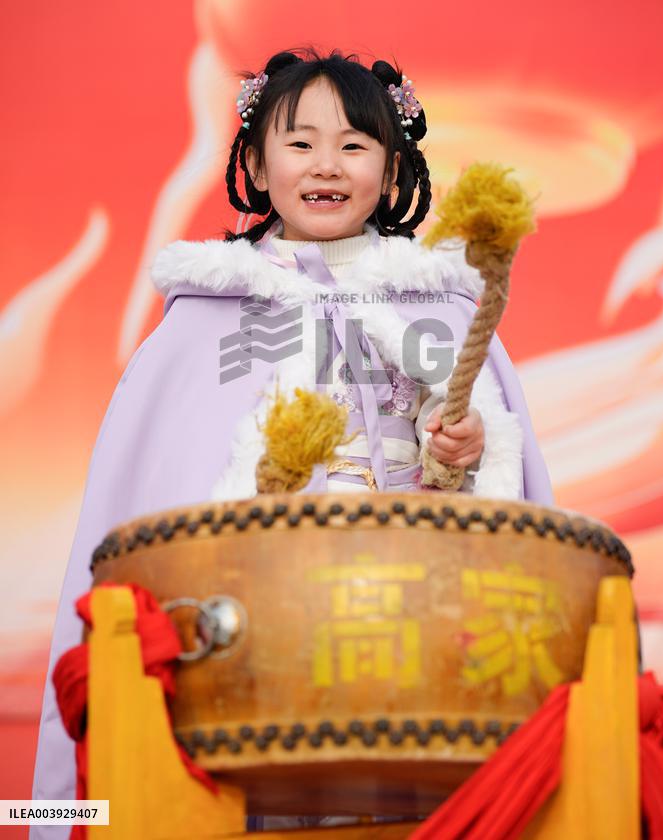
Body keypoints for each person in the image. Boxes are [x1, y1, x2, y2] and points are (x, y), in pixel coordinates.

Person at [31, 48, 553, 837]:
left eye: (353, 144)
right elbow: (154, 504)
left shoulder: (441, 304)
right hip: (253, 662)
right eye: (300, 141)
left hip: (419, 648)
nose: (326, 165)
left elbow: (500, 499)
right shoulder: (204, 316)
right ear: (255, 159)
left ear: (393, 165)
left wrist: (464, 454)